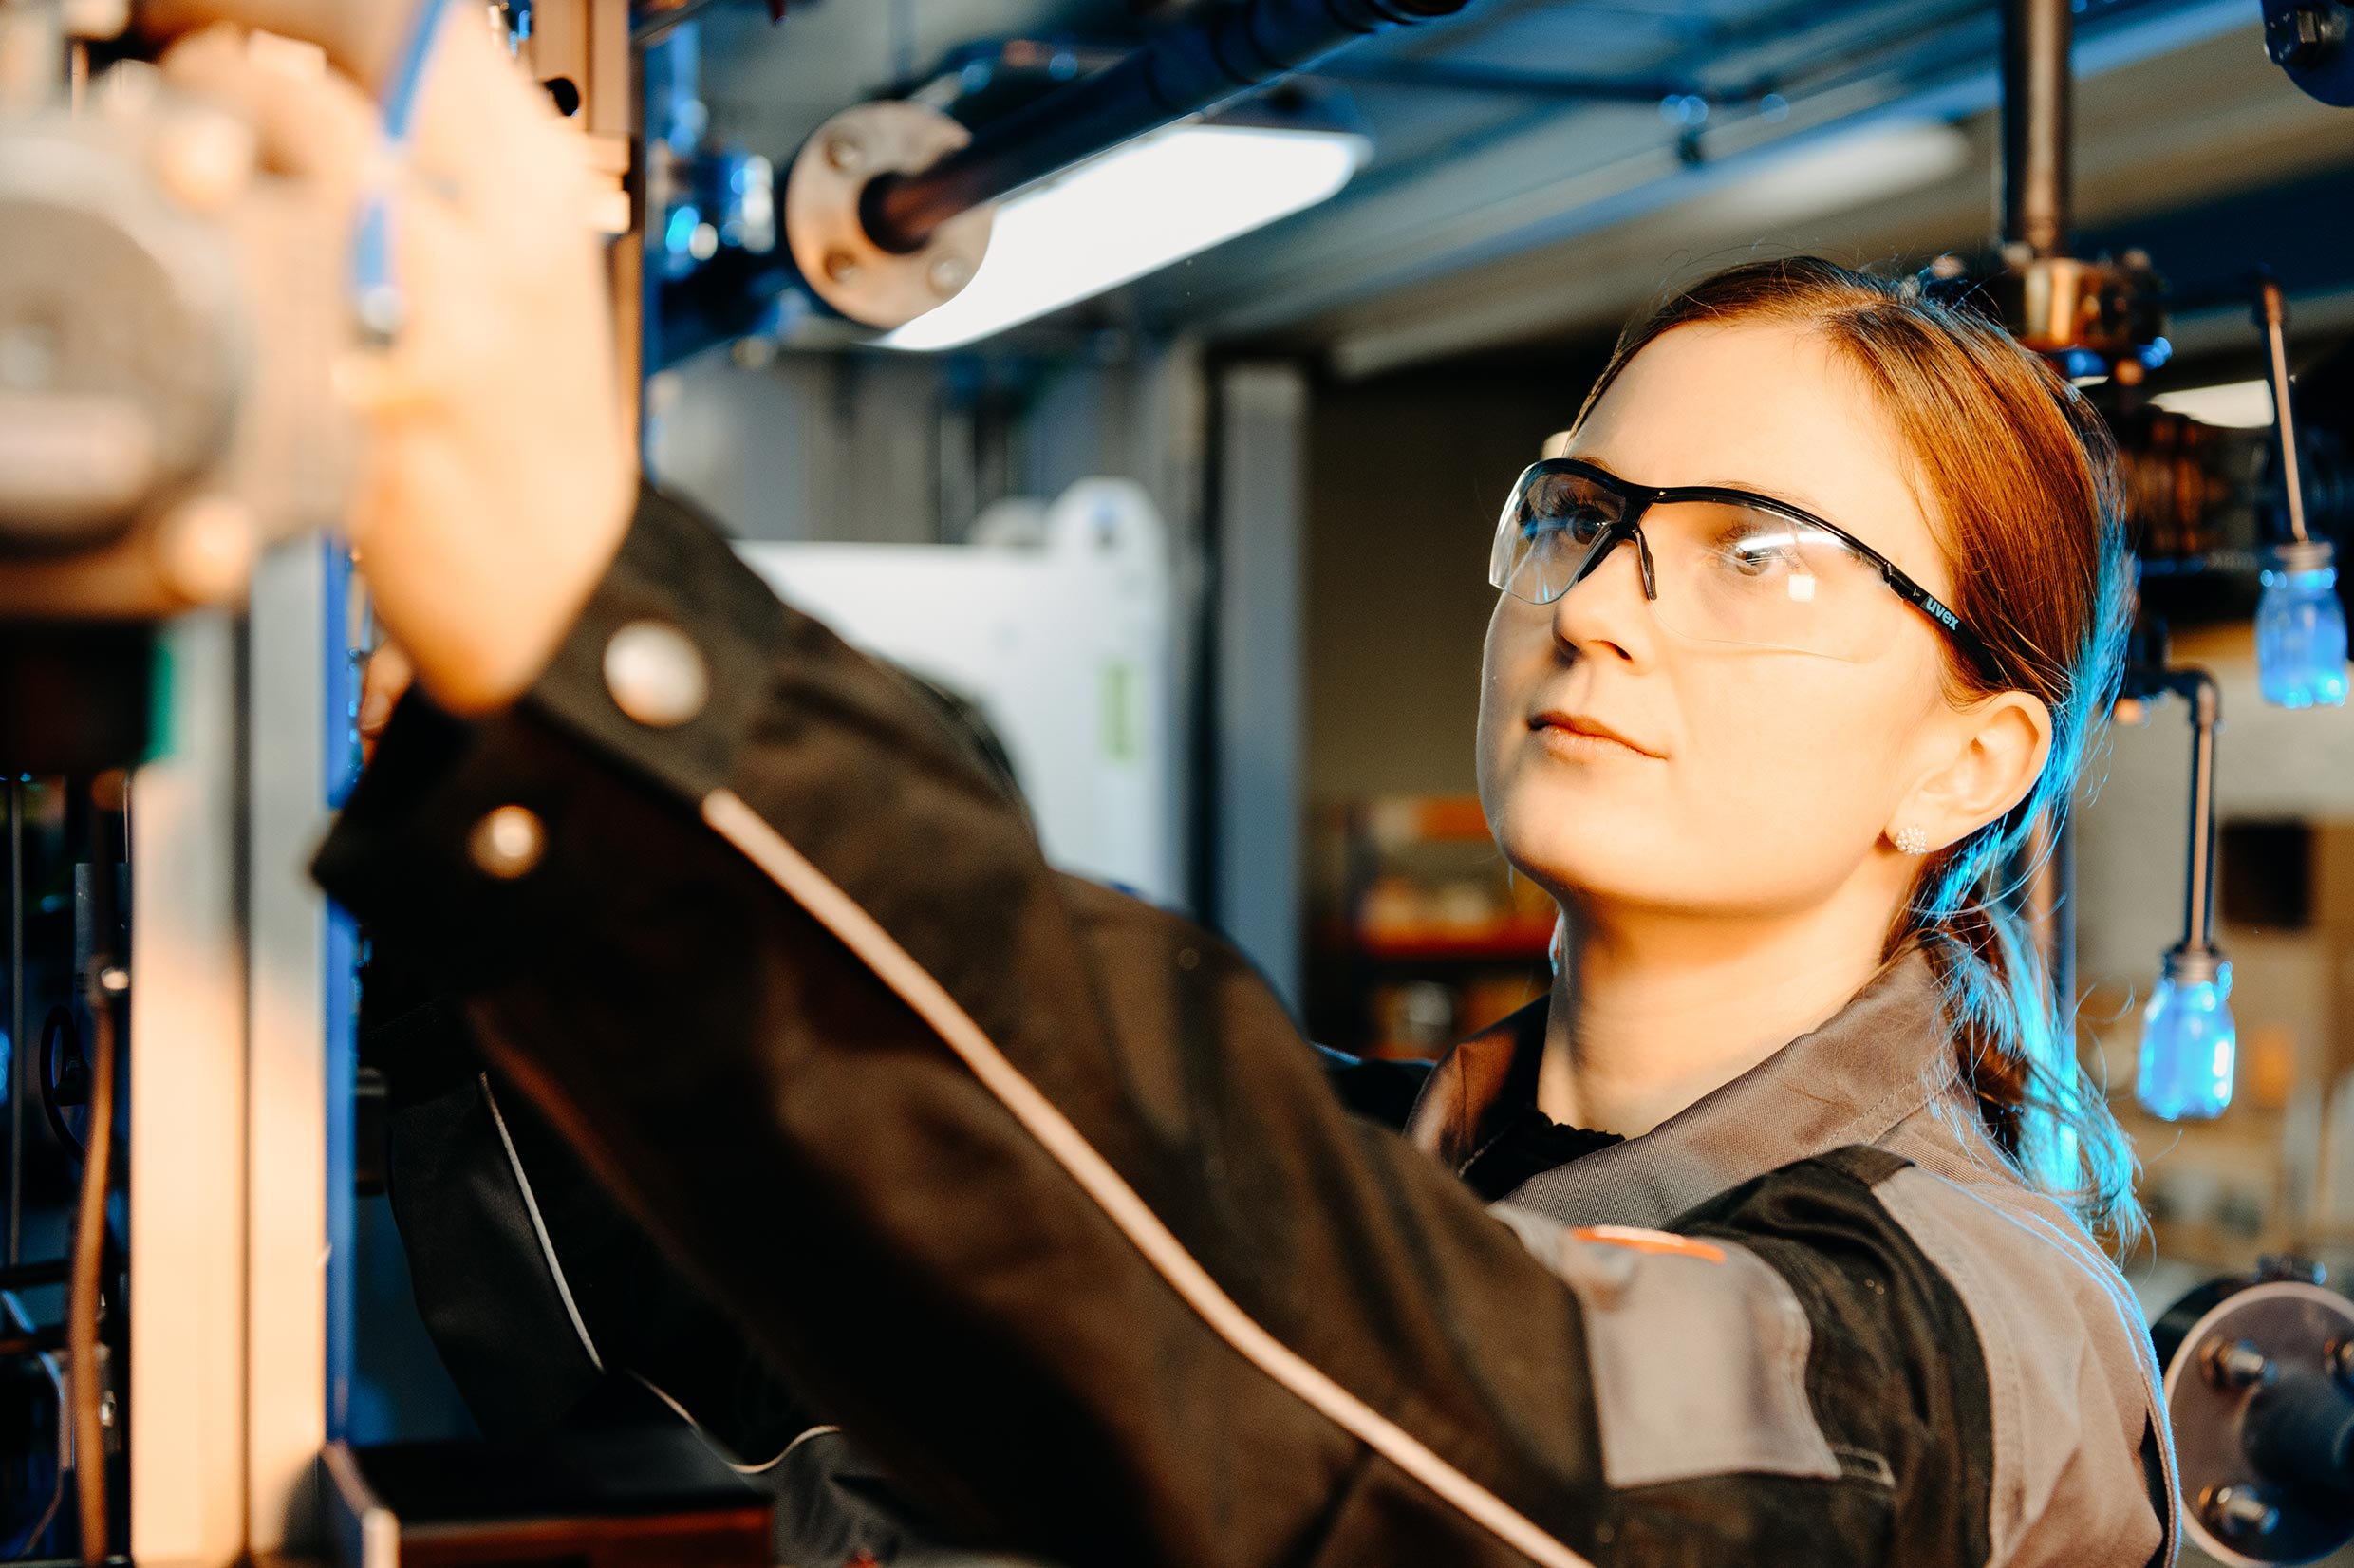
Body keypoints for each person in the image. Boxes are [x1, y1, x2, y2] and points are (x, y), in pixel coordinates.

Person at [150, 8, 2177, 1566]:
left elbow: (1355, 1390)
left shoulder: (1968, 1335)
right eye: (1582, 513)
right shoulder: (1423, 1157)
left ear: (1967, 758)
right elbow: (883, 1322)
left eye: (1762, 553)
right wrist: (459, 823)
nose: (1609, 606)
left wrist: (590, 627)